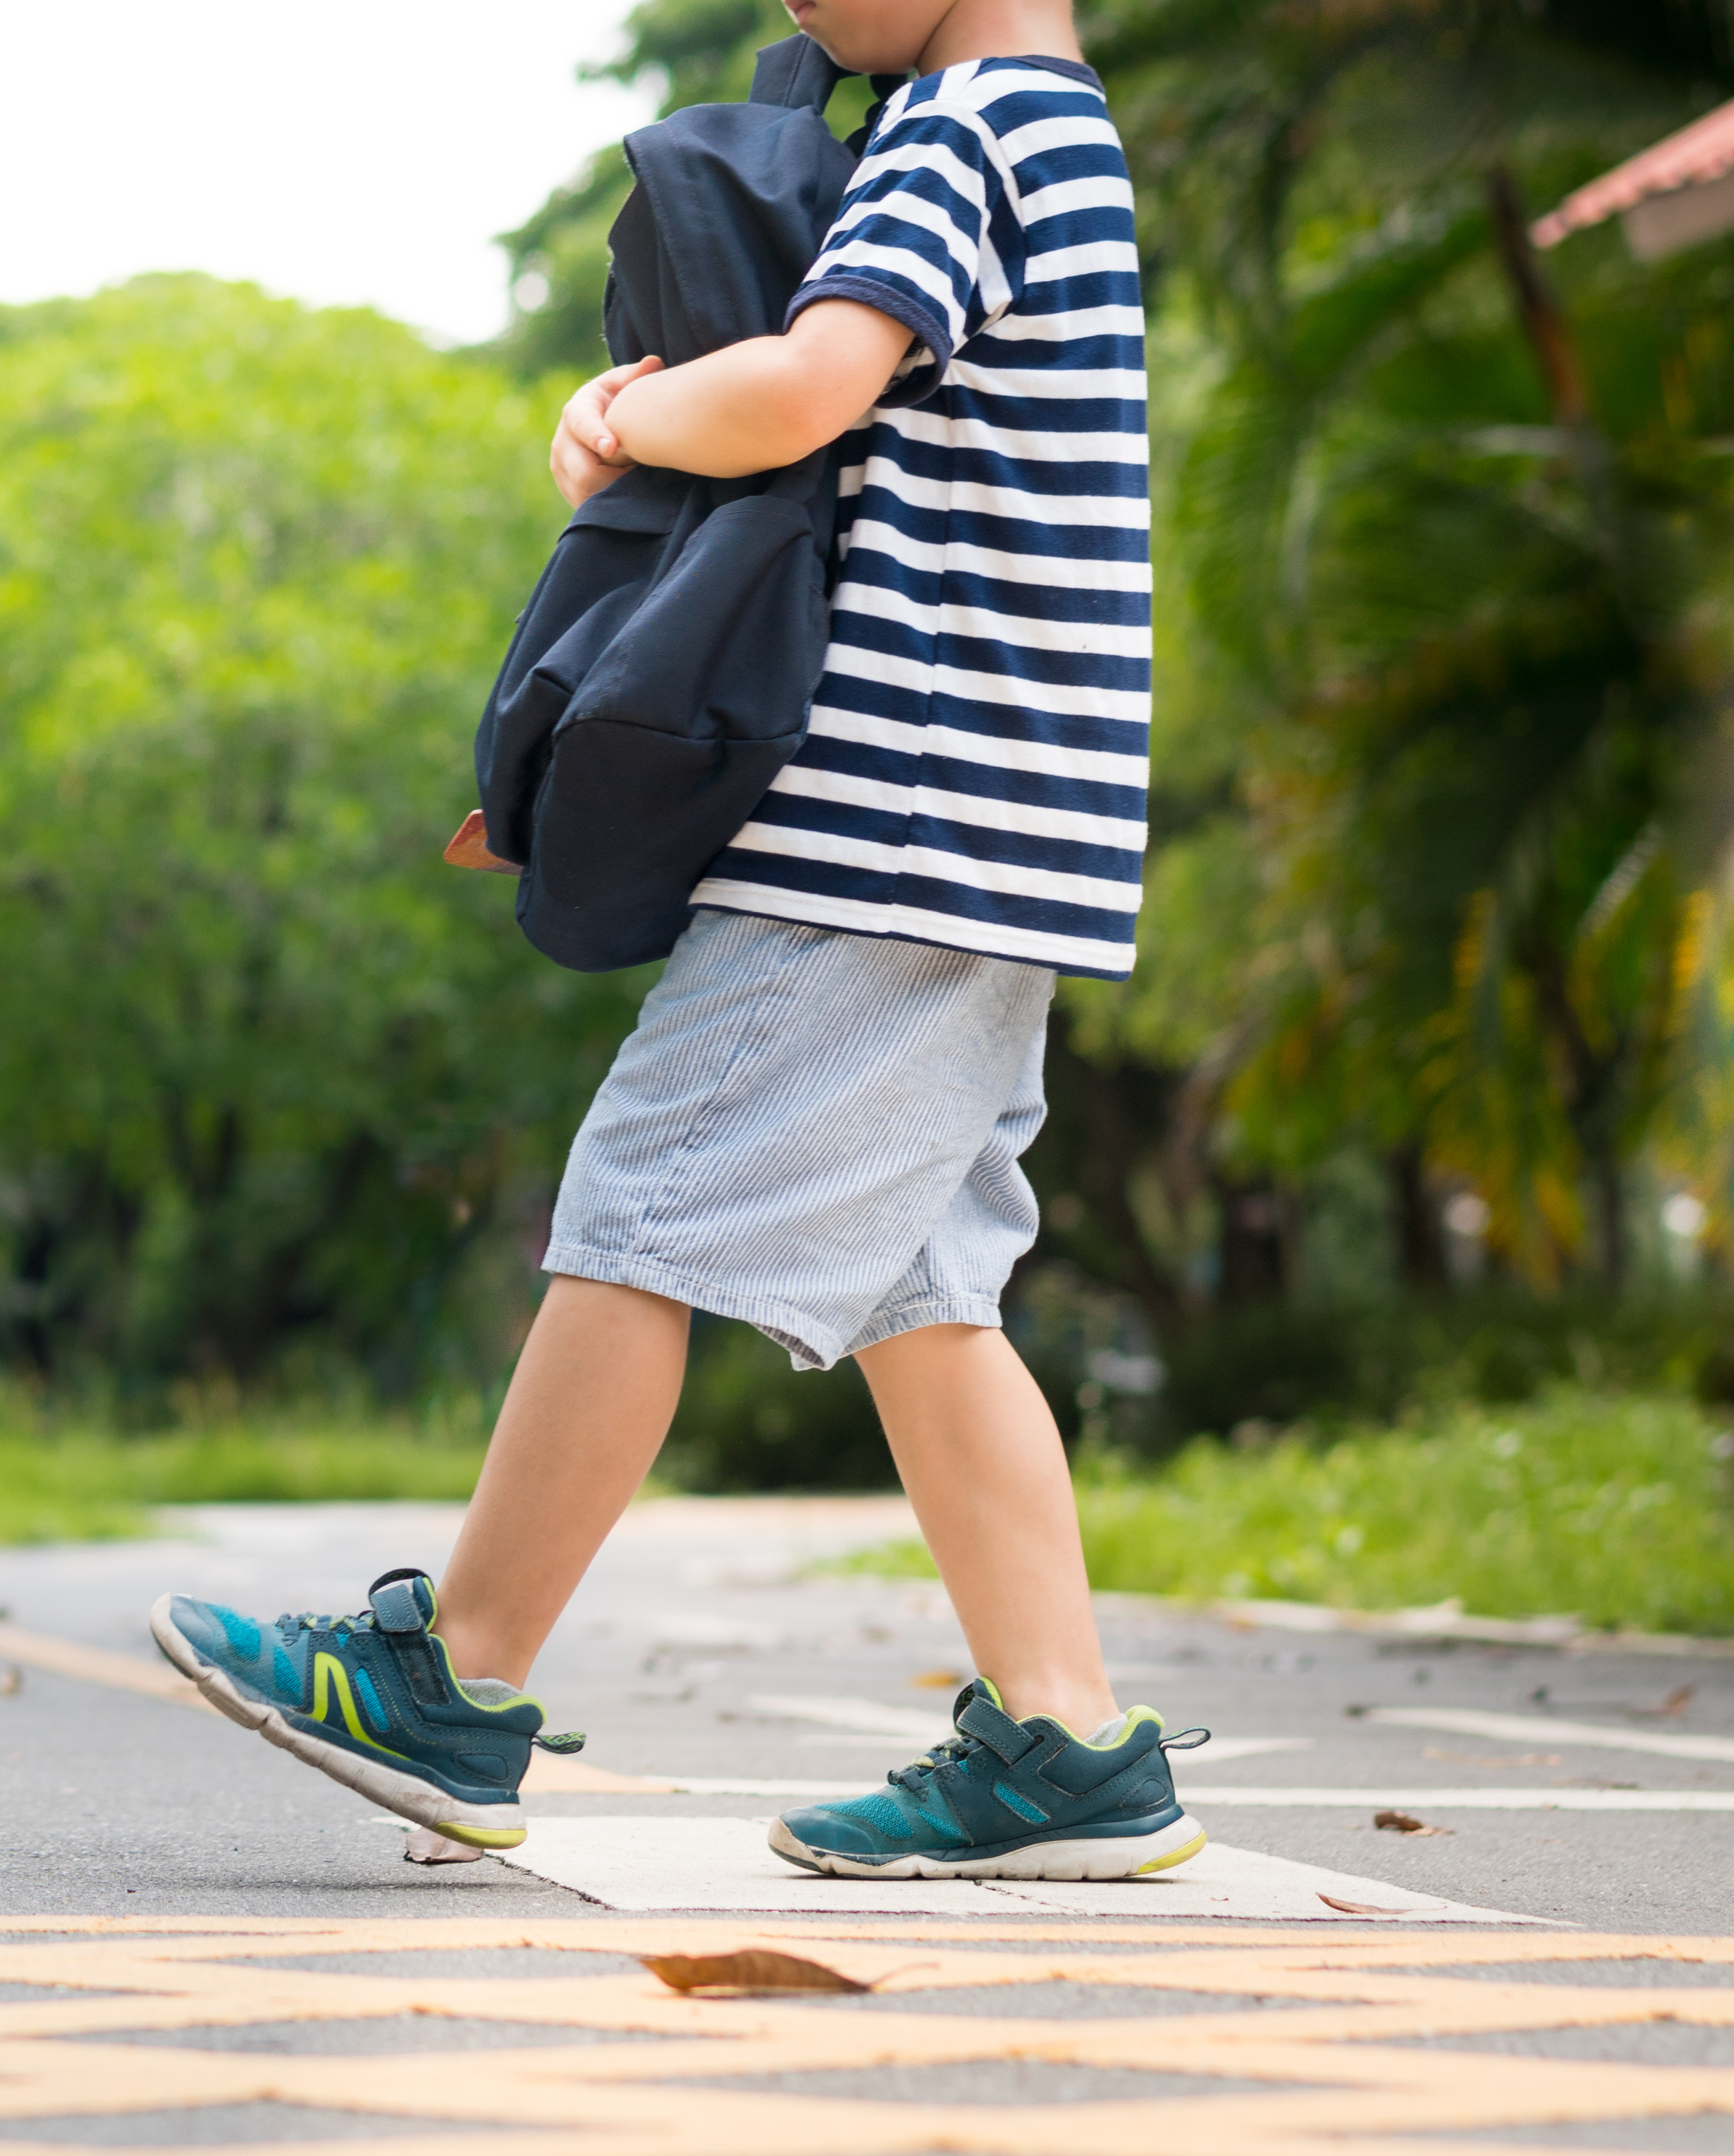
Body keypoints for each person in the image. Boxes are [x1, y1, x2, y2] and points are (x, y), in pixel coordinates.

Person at [153, 0, 1193, 1884]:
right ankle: (1065, 1737)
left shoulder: (960, 133)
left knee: (640, 1207)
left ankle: (452, 1680)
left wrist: (628, 410)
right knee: (928, 1295)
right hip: (994, 837)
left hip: (885, 827)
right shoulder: (1066, 143)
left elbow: (804, 389)